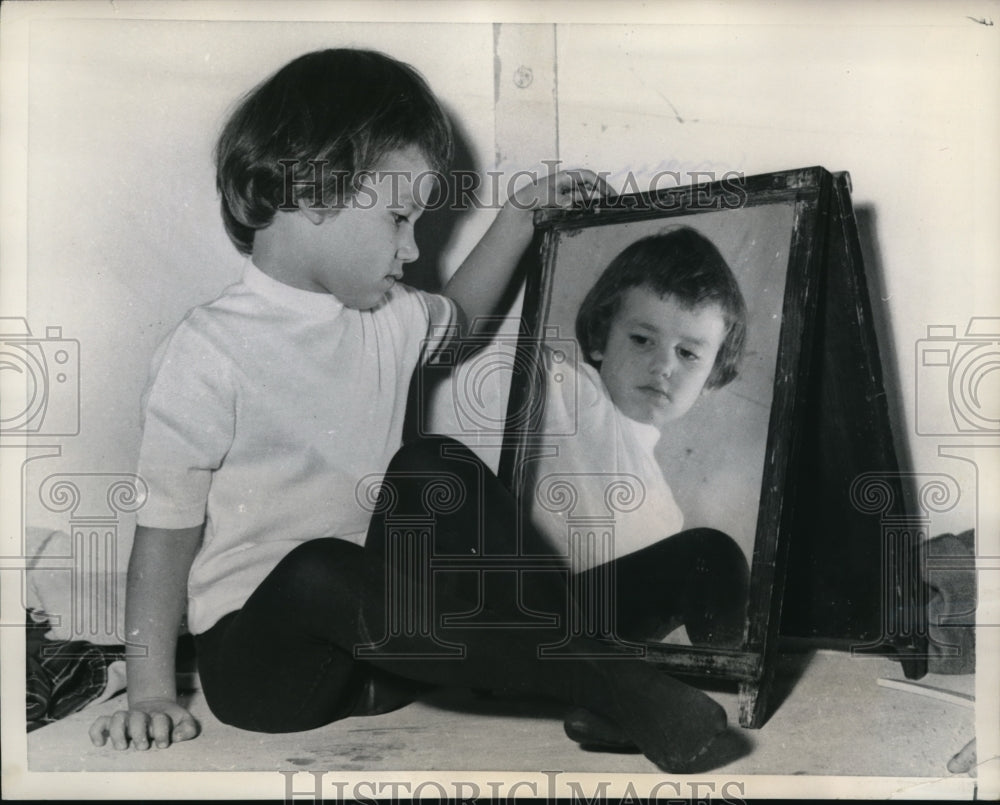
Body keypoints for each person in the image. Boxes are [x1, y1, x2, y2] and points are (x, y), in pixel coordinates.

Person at [88, 47, 730, 773]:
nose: (410, 246)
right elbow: (164, 533)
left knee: (435, 464)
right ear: (312, 184)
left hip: (393, 652)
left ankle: (590, 670)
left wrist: (519, 219)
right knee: (318, 567)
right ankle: (605, 678)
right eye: (399, 217)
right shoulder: (208, 348)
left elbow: (461, 311)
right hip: (269, 665)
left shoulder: (389, 318)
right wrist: (148, 688)